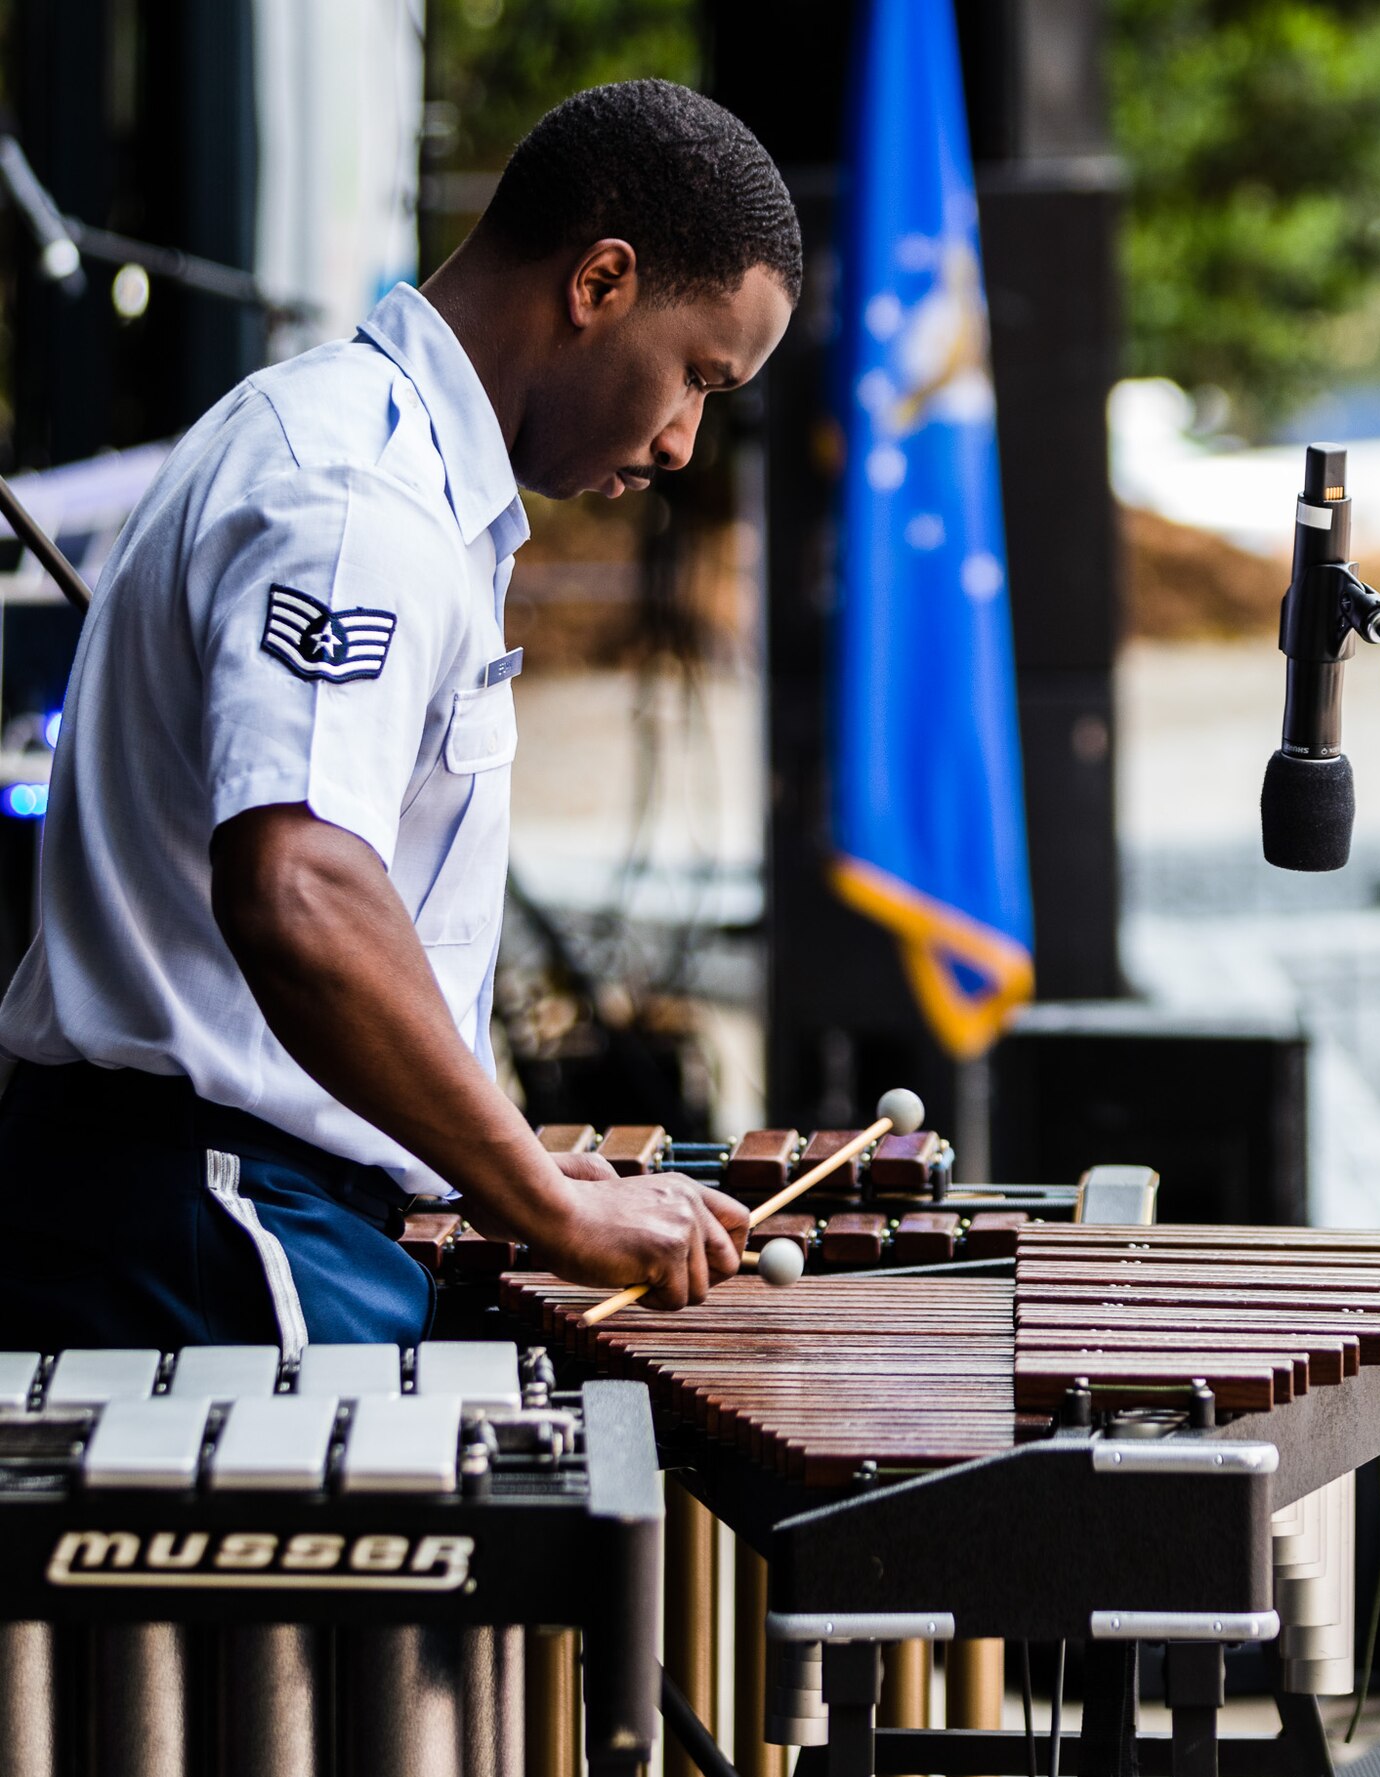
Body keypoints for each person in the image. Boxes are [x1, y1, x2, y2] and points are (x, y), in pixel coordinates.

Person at [0, 80, 800, 1351]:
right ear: (599, 282)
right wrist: (538, 1199)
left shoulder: (381, 464)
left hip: (227, 1197)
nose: (684, 442)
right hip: (208, 1214)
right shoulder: (352, 499)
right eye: (698, 376)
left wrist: (487, 1152)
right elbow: (301, 887)